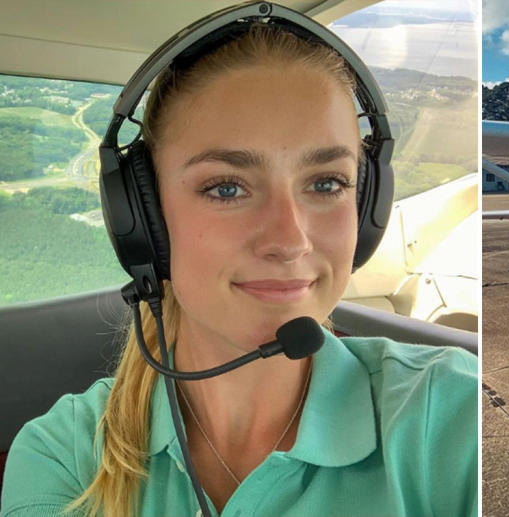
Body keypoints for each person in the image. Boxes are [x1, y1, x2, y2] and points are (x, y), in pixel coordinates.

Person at [0, 5, 477, 517]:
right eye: (226, 188)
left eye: (326, 183)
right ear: (143, 221)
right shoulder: (64, 456)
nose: (290, 240)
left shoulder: (451, 414)